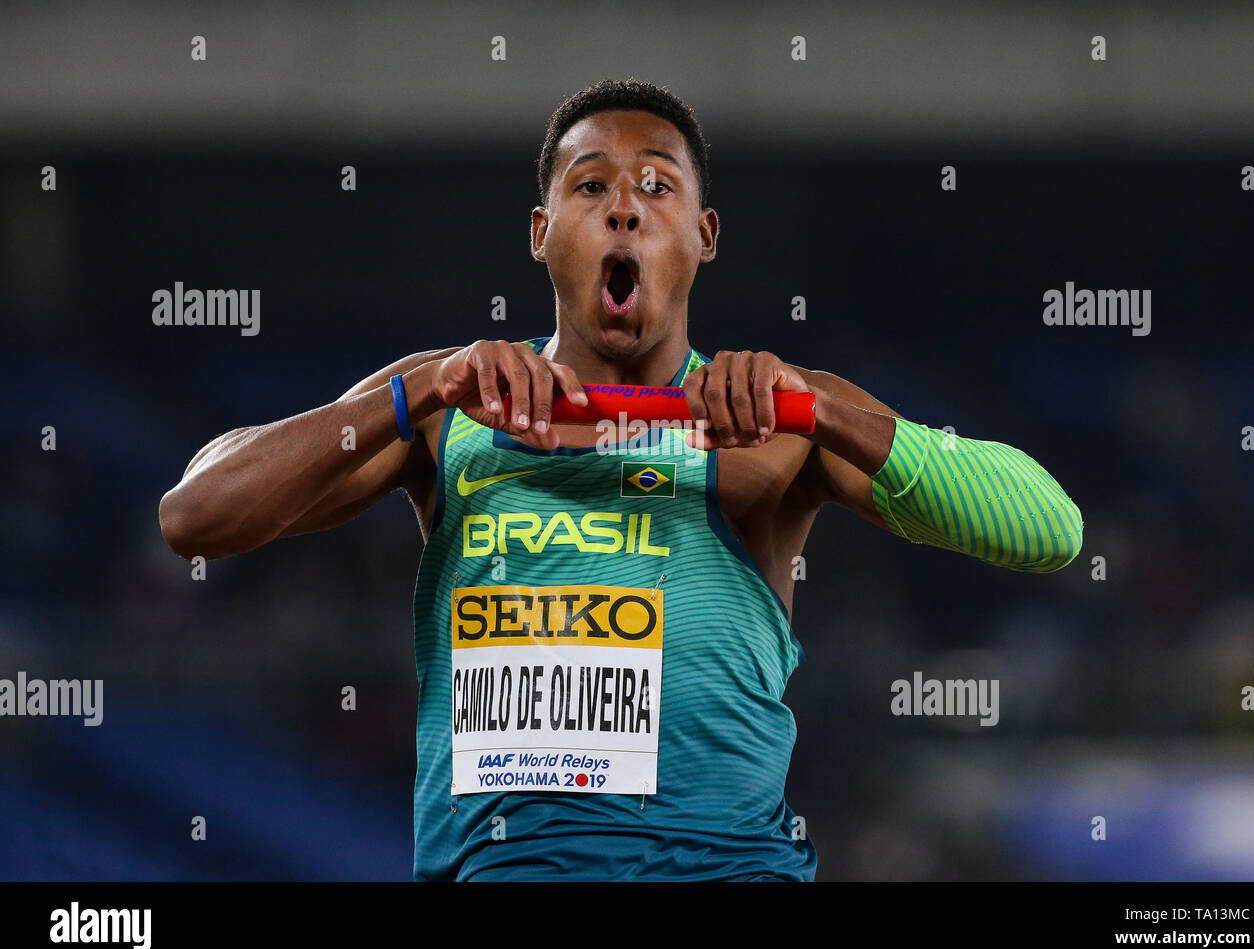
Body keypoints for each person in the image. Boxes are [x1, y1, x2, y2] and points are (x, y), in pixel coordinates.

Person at [159, 78, 1083, 881]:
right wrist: (409, 395)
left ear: (703, 233)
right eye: (589, 184)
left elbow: (1048, 528)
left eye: (657, 186)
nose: (624, 208)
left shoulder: (781, 424)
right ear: (541, 230)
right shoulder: (443, 407)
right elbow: (196, 513)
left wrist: (822, 412)